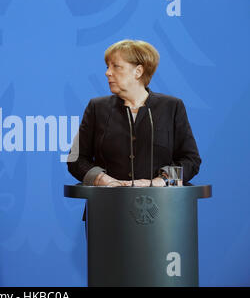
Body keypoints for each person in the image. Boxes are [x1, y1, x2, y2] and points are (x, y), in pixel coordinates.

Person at [67, 39, 201, 189]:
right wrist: (103, 180)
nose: (107, 73)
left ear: (138, 71)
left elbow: (191, 160)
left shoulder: (171, 107)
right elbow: (75, 159)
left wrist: (160, 181)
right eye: (107, 67)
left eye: (116, 67)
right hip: (106, 205)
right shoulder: (97, 108)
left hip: (160, 206)